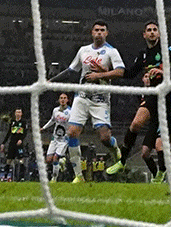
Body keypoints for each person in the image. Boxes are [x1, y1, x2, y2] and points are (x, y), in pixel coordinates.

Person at [51, 19, 126, 183]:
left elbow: (120, 72)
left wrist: (99, 75)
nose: (99, 33)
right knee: (71, 133)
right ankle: (78, 176)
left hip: (101, 99)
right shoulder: (83, 51)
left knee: (105, 138)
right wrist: (50, 81)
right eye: (96, 30)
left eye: (102, 30)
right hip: (82, 97)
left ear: (106, 33)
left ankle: (115, 151)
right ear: (92, 33)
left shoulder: (112, 52)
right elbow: (71, 70)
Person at [106, 21, 171, 182]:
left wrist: (162, 70)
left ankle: (161, 174)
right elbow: (130, 73)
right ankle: (122, 161)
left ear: (159, 34)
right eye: (149, 30)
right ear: (144, 35)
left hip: (170, 99)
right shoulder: (143, 55)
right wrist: (107, 72)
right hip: (153, 96)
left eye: (155, 30)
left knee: (159, 144)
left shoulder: (168, 50)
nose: (152, 32)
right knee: (136, 126)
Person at [40, 92, 72, 181]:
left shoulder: (70, 112)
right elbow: (52, 120)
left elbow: (73, 124)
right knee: (48, 159)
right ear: (59, 100)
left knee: (55, 158)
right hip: (55, 138)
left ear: (67, 100)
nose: (62, 99)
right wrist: (43, 127)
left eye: (65, 98)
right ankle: (62, 162)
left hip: (64, 139)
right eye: (61, 98)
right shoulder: (55, 110)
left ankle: (54, 178)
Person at [0, 108, 26, 181]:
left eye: (19, 112)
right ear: (15, 113)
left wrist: (21, 139)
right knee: (9, 160)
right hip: (12, 143)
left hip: (19, 144)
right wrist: (3, 143)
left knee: (21, 159)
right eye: (17, 112)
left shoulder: (23, 122)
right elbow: (8, 133)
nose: (18, 113)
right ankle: (5, 176)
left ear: (21, 114)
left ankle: (22, 177)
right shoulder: (12, 122)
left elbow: (25, 133)